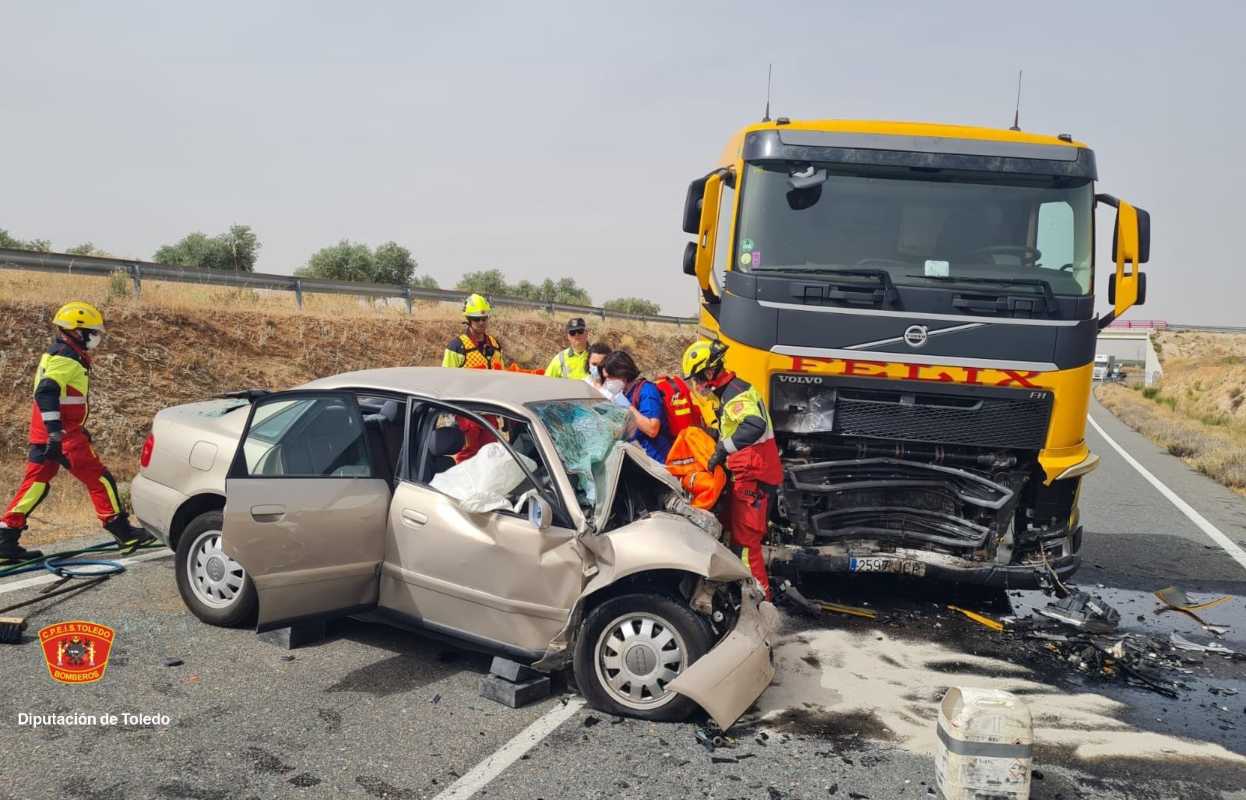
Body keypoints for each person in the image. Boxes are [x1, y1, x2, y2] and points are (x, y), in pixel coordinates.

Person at [0, 301, 155, 562]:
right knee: (100, 479)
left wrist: (52, 432)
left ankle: (5, 540)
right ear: (76, 331)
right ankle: (123, 533)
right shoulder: (66, 358)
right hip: (63, 434)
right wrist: (56, 433)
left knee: (35, 485)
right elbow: (47, 391)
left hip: (45, 433)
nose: (96, 338)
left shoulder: (57, 352)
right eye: (92, 333)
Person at [682, 339, 782, 599]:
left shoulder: (735, 395)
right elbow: (735, 428)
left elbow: (752, 425)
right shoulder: (731, 392)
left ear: (709, 371)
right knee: (736, 537)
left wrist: (721, 449)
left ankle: (760, 604)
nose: (696, 385)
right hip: (748, 477)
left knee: (747, 545)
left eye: (697, 378)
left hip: (755, 480)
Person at [600, 350, 672, 463]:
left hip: (658, 463)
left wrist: (628, 407)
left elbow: (652, 429)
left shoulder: (647, 391)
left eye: (609, 377)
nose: (607, 382)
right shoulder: (624, 394)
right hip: (639, 461)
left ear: (622, 374)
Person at [442, 293, 505, 370]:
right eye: (476, 319)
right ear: (468, 320)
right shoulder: (456, 347)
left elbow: (502, 373)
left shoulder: (495, 345)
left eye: (484, 318)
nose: (481, 322)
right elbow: (447, 378)